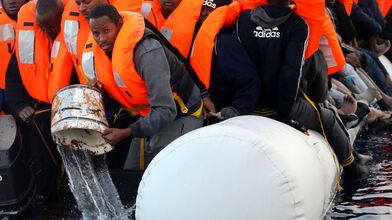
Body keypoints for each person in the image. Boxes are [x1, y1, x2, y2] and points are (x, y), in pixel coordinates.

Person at [236, 0, 369, 179]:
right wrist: (285, 113)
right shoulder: (298, 25)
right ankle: (352, 166)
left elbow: (238, 64)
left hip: (245, 104)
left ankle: (355, 155)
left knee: (326, 110)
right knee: (328, 118)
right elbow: (291, 72)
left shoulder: (243, 19)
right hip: (277, 106)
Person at [82, 4, 206, 169]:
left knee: (165, 175)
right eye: (96, 33)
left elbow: (166, 110)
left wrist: (126, 132)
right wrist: (101, 93)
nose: (101, 39)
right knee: (131, 176)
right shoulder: (105, 52)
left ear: (119, 24)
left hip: (180, 114)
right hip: (147, 116)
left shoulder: (147, 52)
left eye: (106, 31)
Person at [4, 0, 64, 199]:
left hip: (69, 112)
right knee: (41, 164)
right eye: (43, 27)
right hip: (40, 115)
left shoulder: (74, 39)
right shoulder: (29, 40)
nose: (47, 31)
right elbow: (12, 76)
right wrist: (19, 106)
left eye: (51, 26)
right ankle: (46, 204)